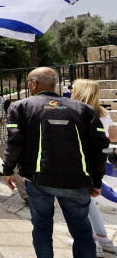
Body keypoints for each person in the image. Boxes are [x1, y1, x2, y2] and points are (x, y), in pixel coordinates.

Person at [3, 67, 109, 258]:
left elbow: (14, 142)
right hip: (76, 181)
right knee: (83, 233)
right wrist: (96, 181)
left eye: (28, 82)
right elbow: (100, 147)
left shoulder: (21, 106)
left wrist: (8, 169)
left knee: (42, 230)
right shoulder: (83, 109)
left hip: (38, 181)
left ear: (34, 84)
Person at [69, 79, 117, 256]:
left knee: (79, 204)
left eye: (72, 88)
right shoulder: (103, 113)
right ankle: (103, 239)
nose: (69, 90)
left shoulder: (74, 111)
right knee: (88, 202)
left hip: (78, 164)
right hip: (97, 163)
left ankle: (93, 242)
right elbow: (113, 137)